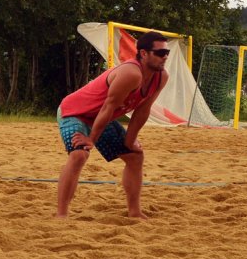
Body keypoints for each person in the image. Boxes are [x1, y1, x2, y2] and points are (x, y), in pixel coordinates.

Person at [56, 31, 171, 218]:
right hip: (74, 112)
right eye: (159, 53)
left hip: (101, 117)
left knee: (135, 156)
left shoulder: (161, 77)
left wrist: (130, 141)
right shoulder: (131, 73)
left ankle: (135, 212)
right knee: (79, 154)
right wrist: (91, 139)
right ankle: (61, 215)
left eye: (167, 53)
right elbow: (107, 108)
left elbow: (143, 110)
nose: (165, 57)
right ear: (143, 53)